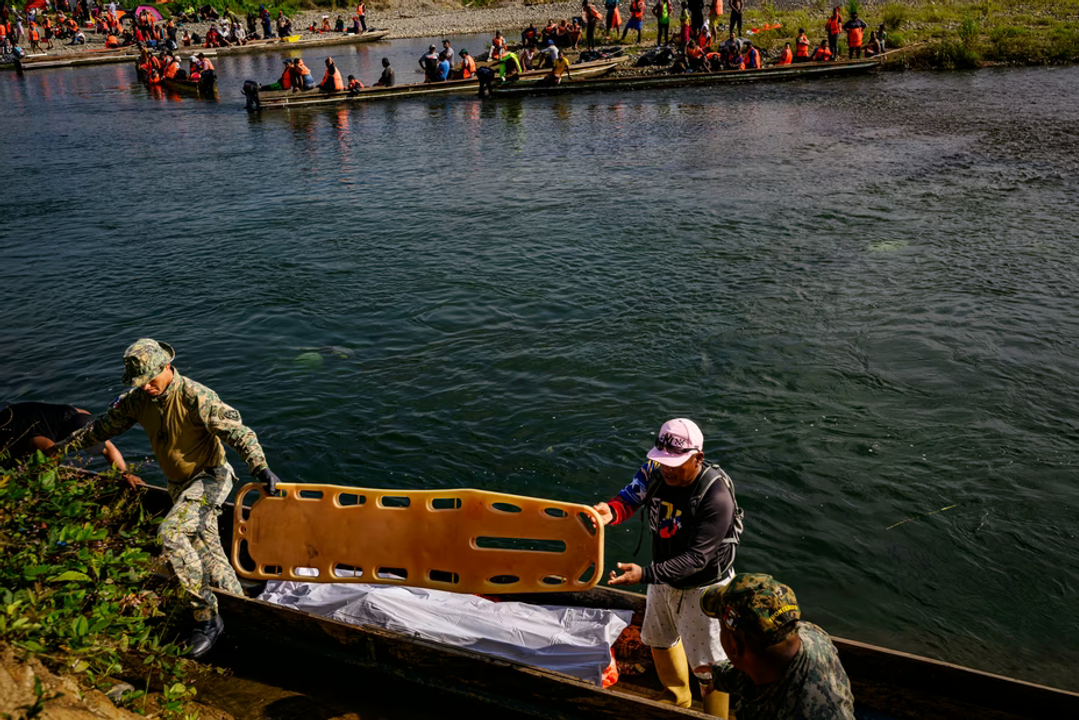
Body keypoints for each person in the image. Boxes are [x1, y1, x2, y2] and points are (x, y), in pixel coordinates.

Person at [50, 339, 283, 659]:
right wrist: (57, 451)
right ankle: (243, 616)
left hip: (210, 479)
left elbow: (239, 433)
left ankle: (207, 619)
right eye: (139, 383)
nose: (146, 388)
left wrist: (261, 468)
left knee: (171, 533)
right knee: (211, 558)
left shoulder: (196, 397)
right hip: (179, 487)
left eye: (150, 380)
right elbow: (99, 429)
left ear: (166, 367)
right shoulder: (136, 401)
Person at [593, 418, 744, 717]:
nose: (667, 469)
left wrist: (645, 574)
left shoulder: (716, 496)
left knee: (709, 666)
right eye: (662, 461)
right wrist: (608, 512)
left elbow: (696, 559)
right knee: (658, 641)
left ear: (698, 457)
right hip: (663, 577)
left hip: (704, 588)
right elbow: (629, 498)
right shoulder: (655, 471)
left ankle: (715, 716)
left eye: (676, 462)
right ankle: (677, 697)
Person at [697, 574, 856, 720]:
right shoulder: (810, 634)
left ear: (735, 645)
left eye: (721, 626)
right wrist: (723, 676)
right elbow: (762, 666)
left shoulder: (798, 712)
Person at [0, 403, 135, 487]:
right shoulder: (46, 443)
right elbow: (50, 470)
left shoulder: (86, 421)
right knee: (14, 468)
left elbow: (109, 448)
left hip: (34, 415)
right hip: (10, 425)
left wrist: (126, 474)